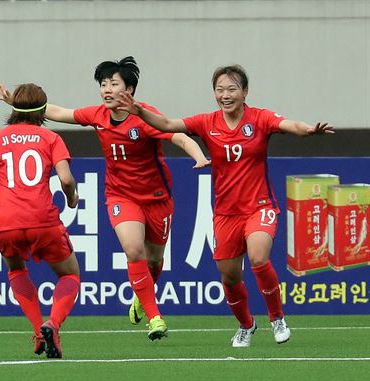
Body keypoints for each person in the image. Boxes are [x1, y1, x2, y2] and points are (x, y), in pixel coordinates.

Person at [118, 64, 334, 347]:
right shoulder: (207, 122)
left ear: (245, 92)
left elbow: (288, 125)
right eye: (219, 90)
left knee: (258, 257)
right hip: (225, 213)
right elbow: (169, 125)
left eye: (232, 89)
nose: (225, 95)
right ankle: (246, 325)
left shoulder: (260, 118)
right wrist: (140, 112)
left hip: (259, 206)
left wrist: (307, 130)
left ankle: (277, 318)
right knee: (230, 277)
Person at [0, 57, 210, 341]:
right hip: (120, 195)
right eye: (104, 84)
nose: (107, 89)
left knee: (154, 259)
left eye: (114, 84)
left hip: (157, 198)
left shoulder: (145, 116)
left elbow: (179, 137)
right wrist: (22, 105)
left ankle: (141, 297)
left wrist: (198, 156)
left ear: (129, 89)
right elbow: (60, 112)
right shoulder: (97, 115)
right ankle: (155, 317)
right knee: (134, 250)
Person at [0, 83, 80, 359]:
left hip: (5, 220)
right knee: (69, 274)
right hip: (42, 218)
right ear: (43, 110)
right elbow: (66, 179)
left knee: (16, 270)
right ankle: (52, 325)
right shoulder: (50, 138)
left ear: (13, 109)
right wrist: (71, 198)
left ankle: (38, 331)